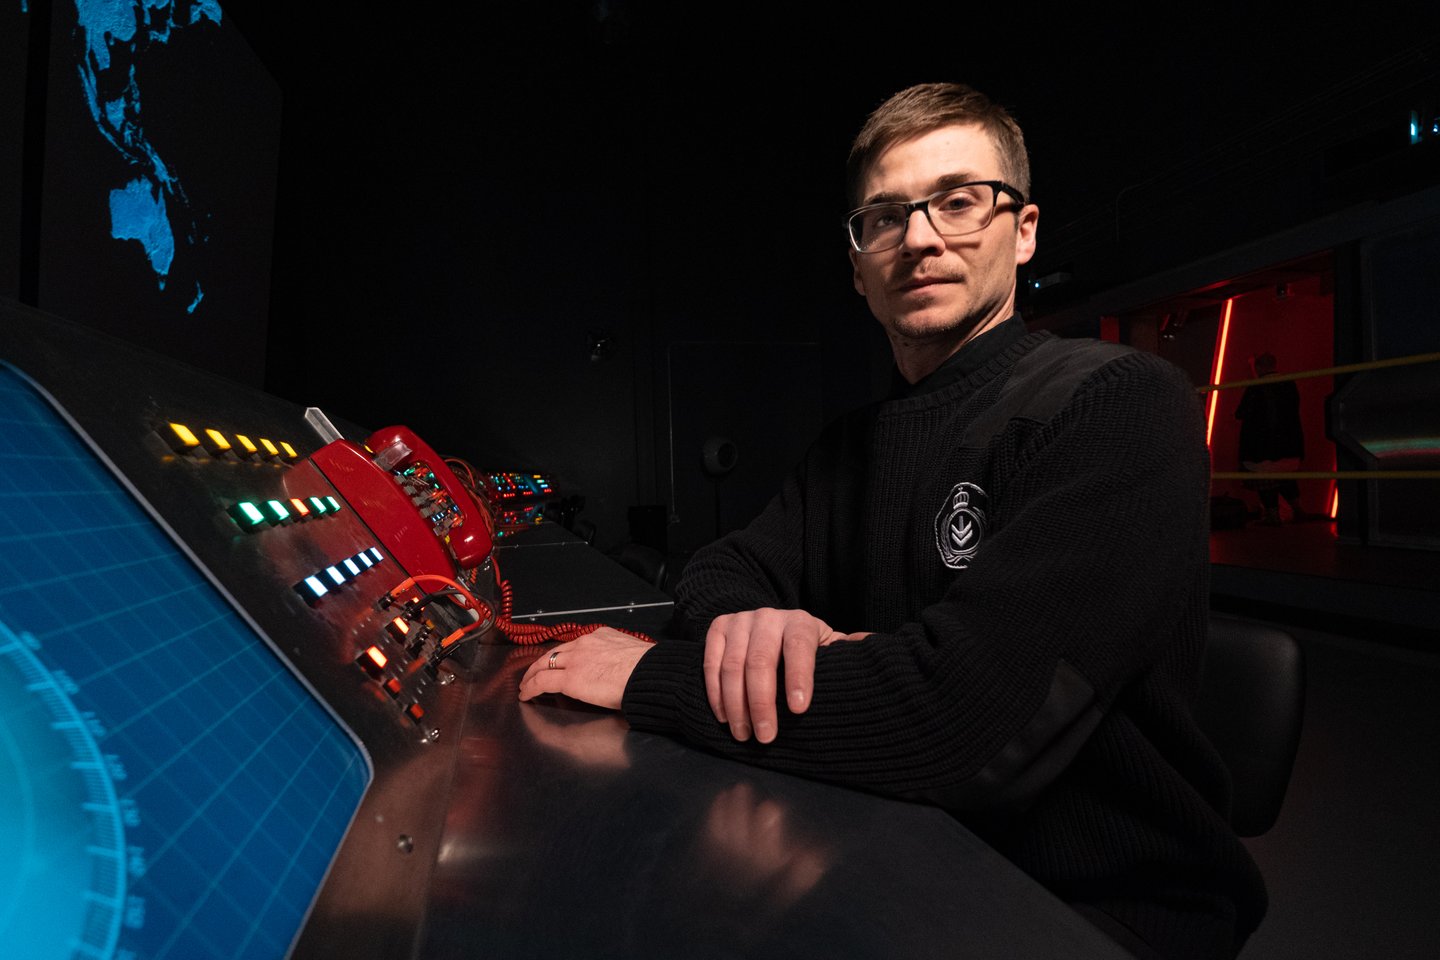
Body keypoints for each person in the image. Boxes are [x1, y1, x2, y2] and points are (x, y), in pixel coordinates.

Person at [519, 82, 1266, 960]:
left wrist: (652, 681)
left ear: (1023, 231)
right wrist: (754, 635)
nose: (918, 237)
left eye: (958, 201)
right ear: (858, 264)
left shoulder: (1118, 405)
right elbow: (719, 573)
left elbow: (960, 723)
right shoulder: (853, 445)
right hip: (897, 834)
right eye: (884, 217)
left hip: (1088, 908)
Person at [1235, 351, 1315, 524]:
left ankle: (1273, 514)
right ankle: (1297, 509)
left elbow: (1241, 413)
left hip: (1262, 446)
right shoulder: (1289, 384)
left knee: (1266, 480)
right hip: (1289, 443)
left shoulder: (1256, 387)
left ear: (1259, 367)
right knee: (1285, 477)